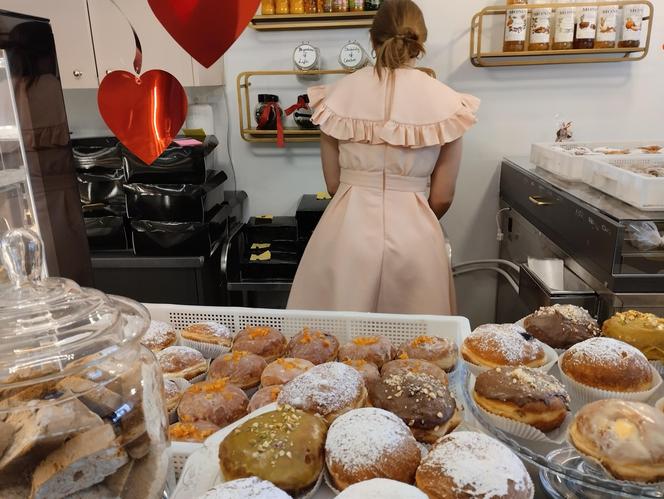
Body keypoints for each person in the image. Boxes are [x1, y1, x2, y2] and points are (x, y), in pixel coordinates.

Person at [287, 0, 479, 315]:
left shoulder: (335, 97)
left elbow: (334, 184)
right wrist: (410, 214)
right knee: (419, 351)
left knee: (338, 346)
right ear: (420, 43)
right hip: (416, 238)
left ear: (372, 39)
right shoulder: (449, 105)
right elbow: (443, 197)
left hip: (347, 231)